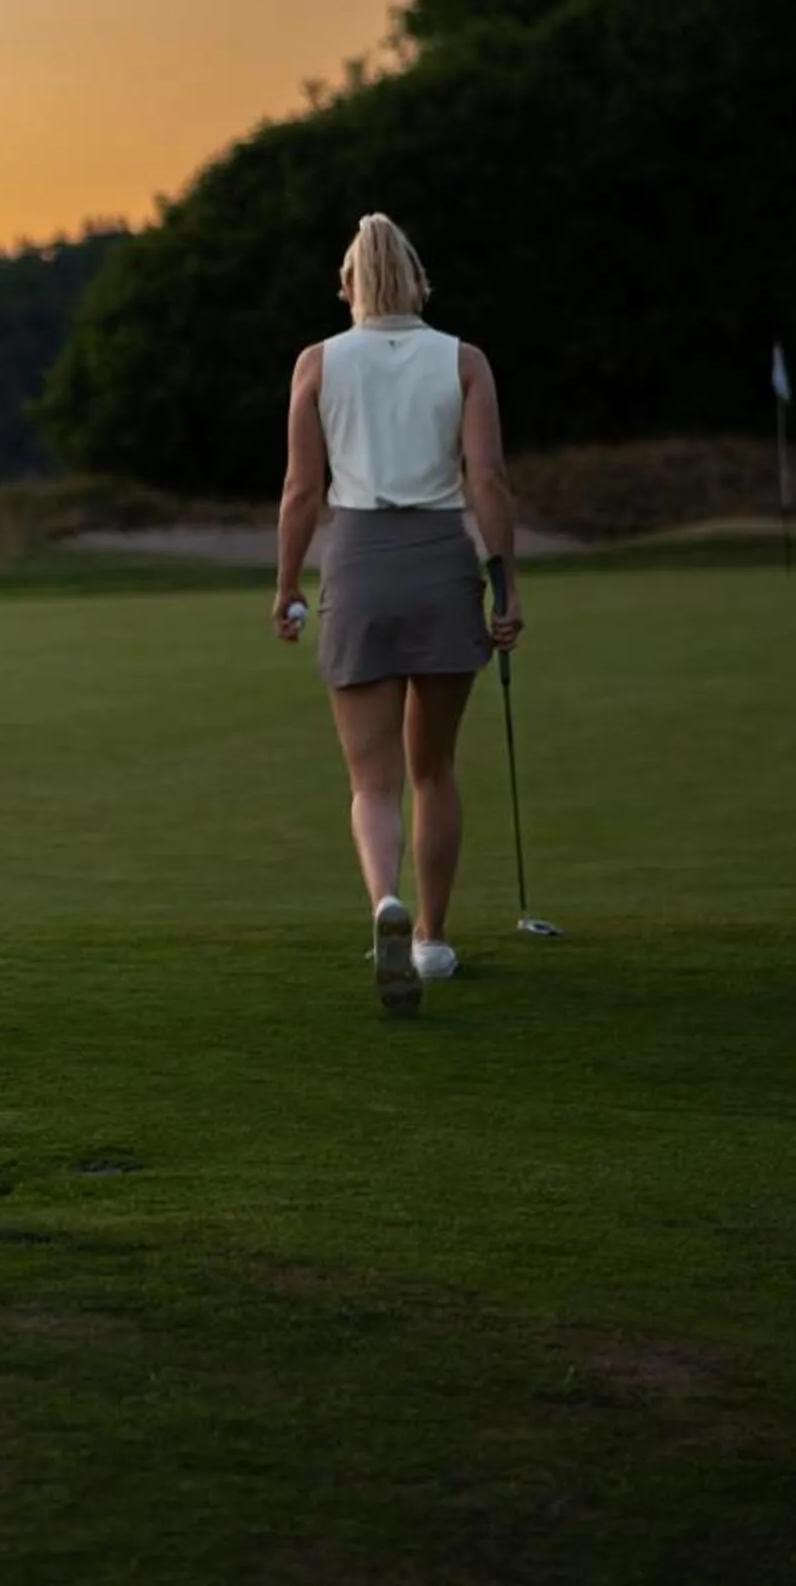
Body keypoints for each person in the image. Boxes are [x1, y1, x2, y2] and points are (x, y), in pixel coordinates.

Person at [271, 215, 526, 1015]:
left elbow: (302, 492)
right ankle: (432, 940)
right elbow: (487, 481)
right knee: (433, 769)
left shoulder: (317, 362)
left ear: (349, 285)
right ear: (418, 280)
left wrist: (286, 585)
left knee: (372, 783)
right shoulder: (464, 360)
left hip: (359, 565)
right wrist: (506, 584)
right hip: (442, 563)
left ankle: (386, 900)